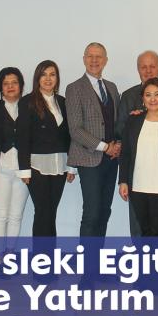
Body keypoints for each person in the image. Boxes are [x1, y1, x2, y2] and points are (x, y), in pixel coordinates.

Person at [117, 50, 158, 237]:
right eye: (143, 67)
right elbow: (121, 132)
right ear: (138, 69)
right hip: (139, 177)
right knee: (139, 226)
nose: (148, 70)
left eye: (152, 66)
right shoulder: (128, 96)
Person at [66, 43, 121, 237]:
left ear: (105, 60)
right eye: (90, 56)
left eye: (99, 56)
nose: (94, 60)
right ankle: (87, 256)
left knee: (105, 211)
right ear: (84, 59)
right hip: (88, 159)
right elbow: (75, 129)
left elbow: (117, 123)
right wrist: (105, 147)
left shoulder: (112, 88)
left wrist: (118, 145)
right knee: (92, 213)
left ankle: (98, 254)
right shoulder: (74, 88)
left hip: (111, 161)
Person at [17, 61, 77, 236]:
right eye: (44, 74)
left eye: (52, 74)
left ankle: (50, 252)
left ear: (57, 78)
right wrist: (24, 169)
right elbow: (23, 137)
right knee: (43, 212)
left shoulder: (63, 101)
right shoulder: (27, 101)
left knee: (51, 212)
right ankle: (41, 252)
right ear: (37, 78)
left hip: (61, 164)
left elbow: (70, 136)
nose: (48, 79)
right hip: (37, 165)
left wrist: (71, 166)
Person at [0, 67, 30, 238]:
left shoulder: (30, 107)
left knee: (16, 216)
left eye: (14, 82)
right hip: (0, 169)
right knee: (0, 215)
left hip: (23, 169)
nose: (10, 86)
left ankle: (11, 252)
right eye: (6, 83)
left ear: (21, 85)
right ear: (1, 87)